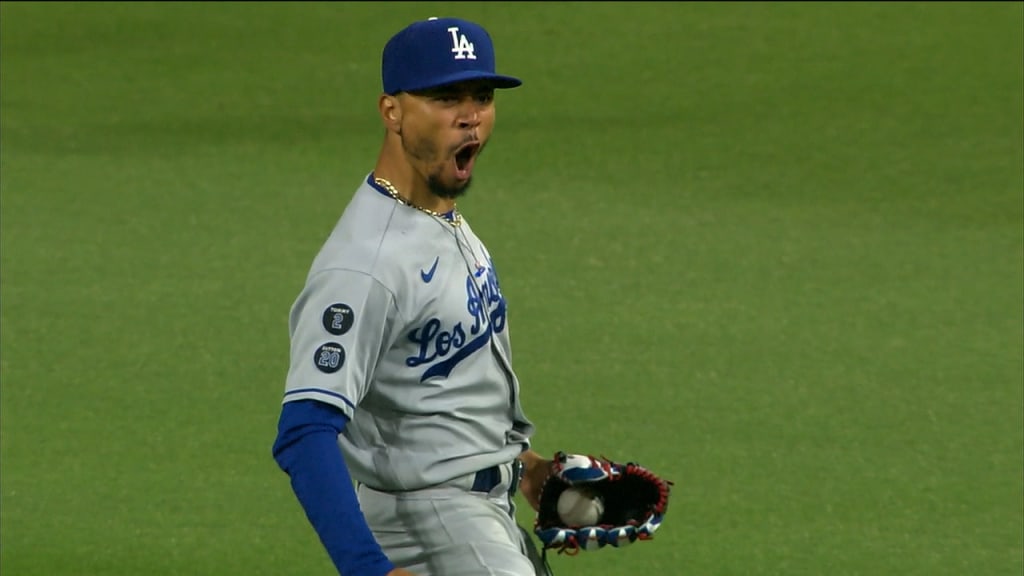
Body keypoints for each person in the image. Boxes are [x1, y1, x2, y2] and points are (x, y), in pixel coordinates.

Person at [271, 16, 554, 576]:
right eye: (446, 97)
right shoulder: (366, 266)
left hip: (480, 515)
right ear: (391, 111)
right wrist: (368, 569)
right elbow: (304, 431)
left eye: (482, 96)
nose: (470, 115)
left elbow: (438, 388)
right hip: (433, 525)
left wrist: (529, 471)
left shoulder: (440, 217)